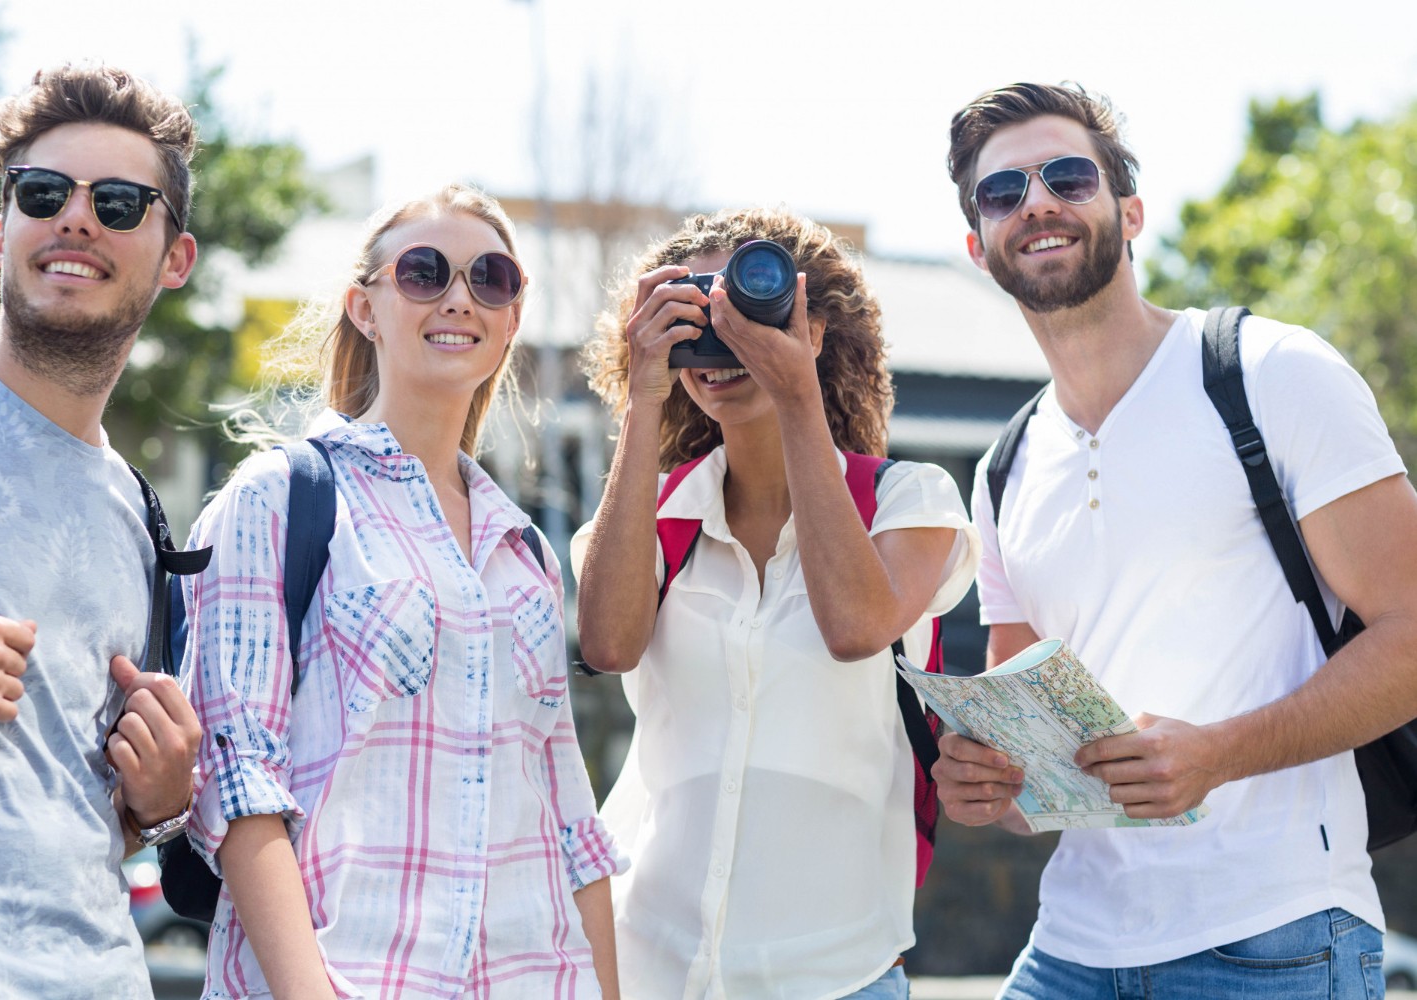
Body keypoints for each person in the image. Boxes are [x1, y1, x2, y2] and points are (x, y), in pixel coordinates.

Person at [935, 81, 1417, 999]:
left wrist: (1220, 753)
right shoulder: (1001, 474)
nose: (1038, 202)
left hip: (1278, 939)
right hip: (1070, 951)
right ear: (978, 244)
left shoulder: (1271, 373)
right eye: (1005, 192)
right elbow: (1041, 772)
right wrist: (990, 787)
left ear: (1130, 209)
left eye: (1069, 177)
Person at [180, 183, 624, 1000]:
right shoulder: (279, 497)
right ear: (364, 307)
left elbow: (571, 819)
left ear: (512, 319)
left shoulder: (524, 551)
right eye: (425, 272)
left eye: (491, 278)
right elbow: (237, 777)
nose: (460, 297)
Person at [572, 207, 980, 1000]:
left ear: (816, 330)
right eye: (696, 315)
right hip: (650, 964)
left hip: (837, 976)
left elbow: (856, 626)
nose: (719, 343)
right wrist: (643, 397)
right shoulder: (649, 521)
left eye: (742, 310)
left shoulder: (908, 504)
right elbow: (607, 645)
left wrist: (795, 395)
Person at [0, 64, 202, 996]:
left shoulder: (141, 513)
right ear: (2, 232)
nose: (78, 219)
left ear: (174, 259)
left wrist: (156, 803)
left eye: (120, 203)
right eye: (46, 193)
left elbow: (82, 808)